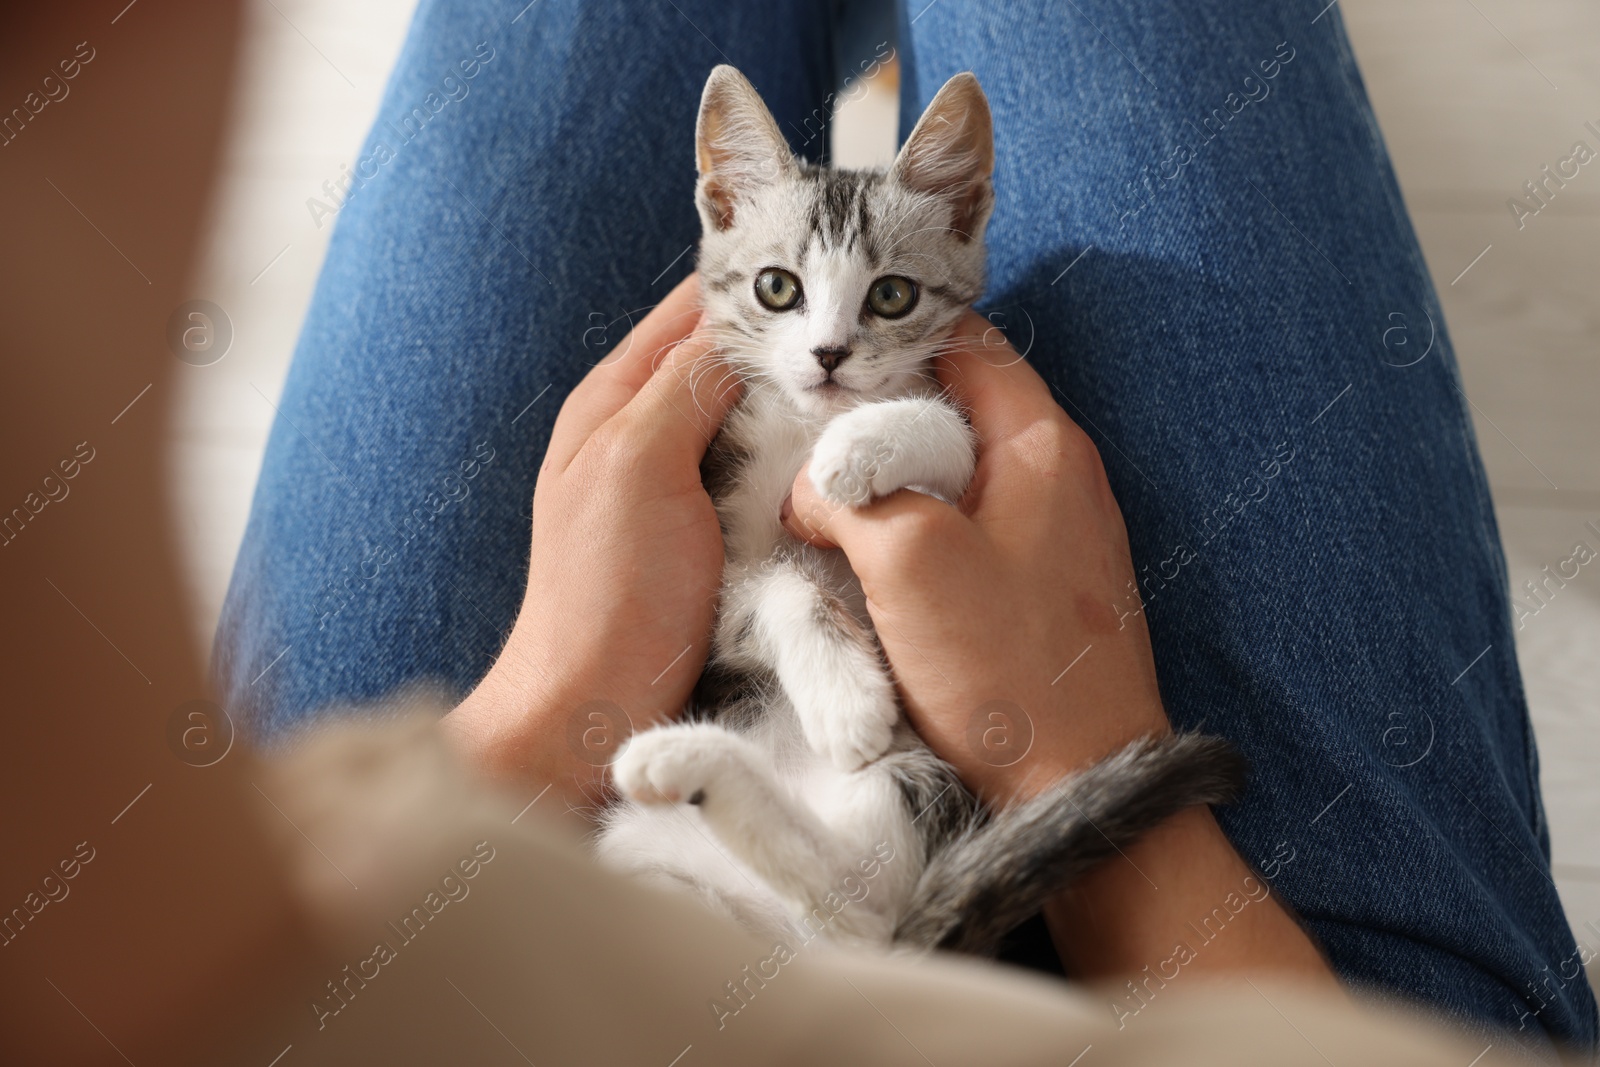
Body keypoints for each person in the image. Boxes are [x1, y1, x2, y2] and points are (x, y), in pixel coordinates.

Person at [214, 0, 1598, 1059]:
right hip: (1296, 1001)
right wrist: (1072, 752)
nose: (820, 348)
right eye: (778, 290)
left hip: (487, 925)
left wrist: (546, 702)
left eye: (870, 306)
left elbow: (231, 999)